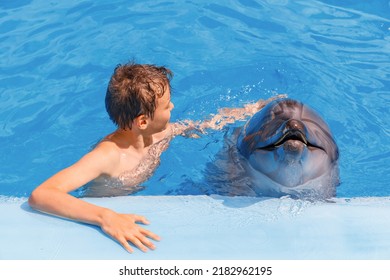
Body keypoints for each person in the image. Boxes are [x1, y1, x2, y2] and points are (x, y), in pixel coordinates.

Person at [28, 62, 284, 253]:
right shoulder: (108, 155)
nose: (172, 108)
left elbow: (204, 125)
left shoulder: (160, 133)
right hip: (99, 221)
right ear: (142, 121)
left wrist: (254, 110)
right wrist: (106, 217)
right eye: (167, 106)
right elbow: (43, 194)